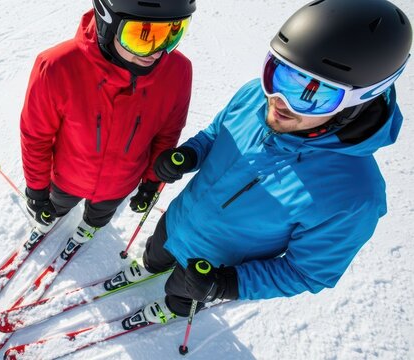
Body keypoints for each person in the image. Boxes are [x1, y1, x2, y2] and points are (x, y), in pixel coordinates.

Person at [112, 0, 412, 326]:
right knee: (157, 251)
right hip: (178, 220)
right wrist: (191, 155)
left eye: (314, 93)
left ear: (359, 101)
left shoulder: (354, 197)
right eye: (279, 73)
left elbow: (306, 272)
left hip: (212, 264)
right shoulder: (256, 94)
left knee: (183, 293)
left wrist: (227, 283)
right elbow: (216, 134)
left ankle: (172, 309)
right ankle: (149, 267)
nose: (278, 102)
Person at [20, 0, 196, 250]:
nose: (157, 52)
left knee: (100, 214)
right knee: (57, 203)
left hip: (121, 183)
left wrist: (151, 182)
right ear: (108, 23)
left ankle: (90, 226)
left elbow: (167, 134)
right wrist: (37, 191)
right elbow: (35, 136)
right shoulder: (57, 66)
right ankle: (50, 218)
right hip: (67, 177)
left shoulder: (178, 71)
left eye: (172, 33)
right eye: (144, 36)